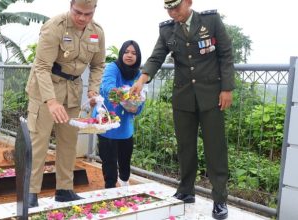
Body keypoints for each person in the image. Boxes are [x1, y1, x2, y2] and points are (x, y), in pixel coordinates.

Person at [131, 0, 235, 219]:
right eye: (168, 8)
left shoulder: (210, 20)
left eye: (176, 7)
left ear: (188, 2)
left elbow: (225, 54)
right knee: (185, 147)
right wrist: (142, 79)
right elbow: (157, 57)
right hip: (183, 98)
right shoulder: (167, 29)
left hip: (212, 97)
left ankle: (219, 199)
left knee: (215, 149)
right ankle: (187, 190)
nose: (172, 12)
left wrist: (227, 88)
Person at [25, 0, 105, 208]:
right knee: (39, 141)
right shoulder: (55, 26)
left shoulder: (97, 32)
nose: (82, 18)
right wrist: (51, 101)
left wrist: (93, 89)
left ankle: (64, 190)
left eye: (88, 14)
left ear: (94, 11)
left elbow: (98, 65)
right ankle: (30, 193)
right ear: (70, 5)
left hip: (73, 90)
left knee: (69, 142)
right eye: (78, 12)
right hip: (45, 87)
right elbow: (41, 66)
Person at [97, 40, 144, 189]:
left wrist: (136, 108)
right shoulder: (113, 68)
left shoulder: (139, 74)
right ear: (121, 53)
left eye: (134, 53)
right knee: (109, 161)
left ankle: (124, 182)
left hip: (125, 125)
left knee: (125, 161)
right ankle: (110, 188)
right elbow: (107, 87)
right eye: (127, 52)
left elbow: (141, 98)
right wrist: (123, 97)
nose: (130, 55)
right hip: (108, 121)